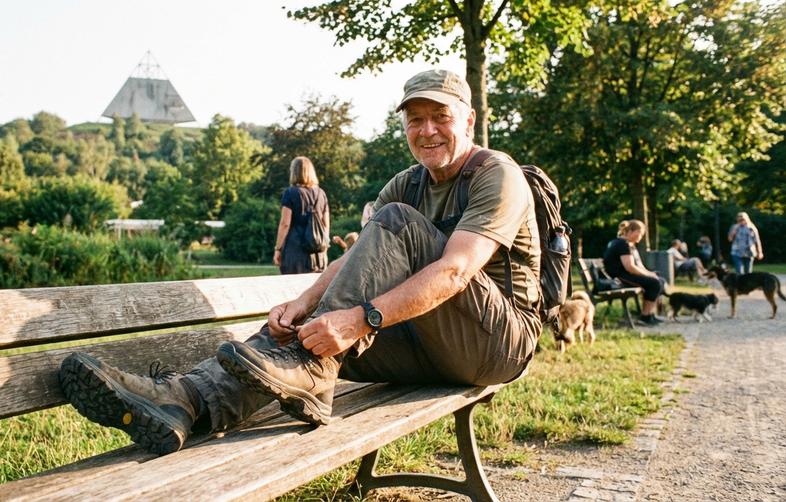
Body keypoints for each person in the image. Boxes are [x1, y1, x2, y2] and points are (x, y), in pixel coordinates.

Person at [57, 69, 541, 456]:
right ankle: (184, 401)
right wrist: (304, 303)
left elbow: (456, 272)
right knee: (296, 337)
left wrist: (359, 319)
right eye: (415, 119)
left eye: (440, 116)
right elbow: (357, 257)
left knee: (387, 235)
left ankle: (309, 371)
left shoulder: (495, 174)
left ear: (469, 120)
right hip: (427, 343)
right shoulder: (406, 182)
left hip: (496, 346)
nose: (427, 130)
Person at [604, 220, 666, 326]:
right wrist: (649, 275)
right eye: (639, 233)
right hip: (620, 278)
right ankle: (645, 316)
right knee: (654, 283)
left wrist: (650, 273)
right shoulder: (622, 244)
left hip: (626, 276)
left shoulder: (629, 245)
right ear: (630, 231)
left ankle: (650, 314)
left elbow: (639, 266)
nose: (641, 237)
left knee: (660, 280)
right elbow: (630, 267)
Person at [273, 157, 330, 274]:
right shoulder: (321, 193)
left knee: (293, 288)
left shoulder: (289, 193)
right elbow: (326, 226)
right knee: (316, 290)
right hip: (318, 252)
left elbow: (285, 223)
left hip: (295, 251)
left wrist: (278, 249)